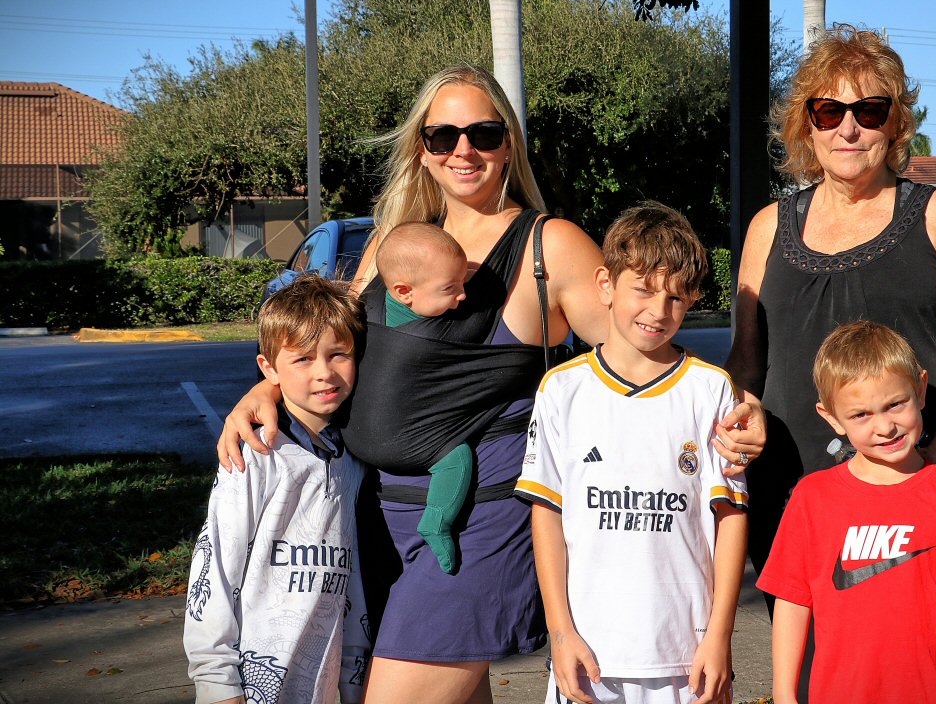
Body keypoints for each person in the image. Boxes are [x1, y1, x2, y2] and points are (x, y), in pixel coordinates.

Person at [218, 64, 766, 704]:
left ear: (508, 144)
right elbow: (327, 347)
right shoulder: (395, 242)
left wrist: (737, 405)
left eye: (482, 133)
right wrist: (264, 392)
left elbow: (642, 346)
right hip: (380, 519)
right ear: (421, 149)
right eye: (443, 135)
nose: (463, 150)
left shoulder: (548, 246)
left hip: (479, 521)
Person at [724, 24, 936, 579]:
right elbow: (746, 365)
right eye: (829, 111)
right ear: (806, 124)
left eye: (870, 111)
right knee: (804, 639)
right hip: (793, 500)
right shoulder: (767, 227)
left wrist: (934, 476)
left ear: (895, 123)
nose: (848, 128)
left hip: (918, 499)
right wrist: (743, 408)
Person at [516, 202, 749, 704]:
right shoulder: (562, 389)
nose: (658, 311)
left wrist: (720, 636)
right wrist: (560, 633)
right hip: (590, 655)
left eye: (676, 297)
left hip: (686, 657)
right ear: (605, 284)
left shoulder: (710, 389)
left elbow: (730, 517)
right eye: (643, 289)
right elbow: (547, 515)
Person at [757, 321, 936, 704]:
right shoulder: (812, 499)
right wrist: (784, 693)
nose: (885, 426)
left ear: (920, 389)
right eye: (861, 414)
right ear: (831, 417)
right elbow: (792, 601)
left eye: (895, 404)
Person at [184, 274, 371, 704]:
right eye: (302, 359)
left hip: (325, 683)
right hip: (252, 687)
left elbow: (353, 585)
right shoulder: (252, 454)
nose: (324, 372)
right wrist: (216, 683)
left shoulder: (355, 456)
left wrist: (354, 677)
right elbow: (216, 568)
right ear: (268, 369)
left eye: (338, 354)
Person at [374, 221, 471, 573]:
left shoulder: (375, 309)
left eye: (463, 282)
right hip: (408, 431)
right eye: (450, 288)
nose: (463, 295)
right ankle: (437, 521)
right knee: (457, 458)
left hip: (375, 430)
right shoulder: (418, 332)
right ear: (404, 292)